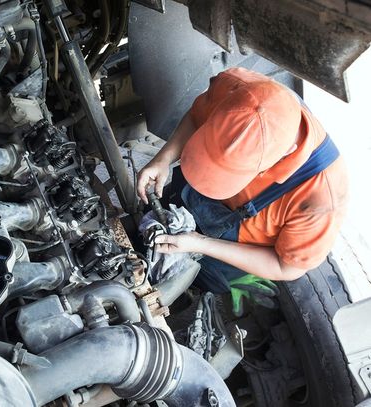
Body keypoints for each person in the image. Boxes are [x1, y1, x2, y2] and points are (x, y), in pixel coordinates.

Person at [137, 68, 348, 312]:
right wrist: (163, 158)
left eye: (225, 172)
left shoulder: (321, 199)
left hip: (224, 253)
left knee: (192, 283)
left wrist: (200, 244)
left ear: (280, 158)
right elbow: (196, 116)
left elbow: (286, 267)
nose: (208, 176)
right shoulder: (237, 88)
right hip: (187, 201)